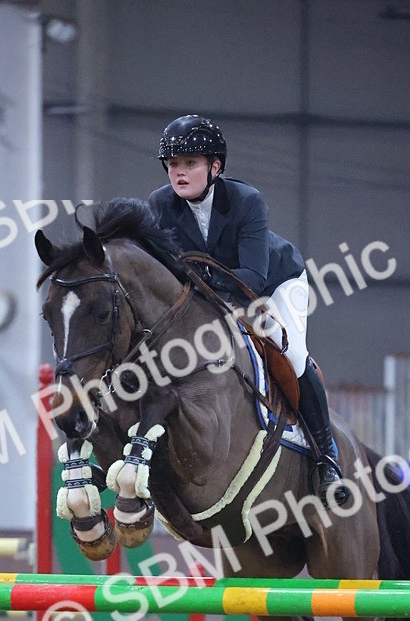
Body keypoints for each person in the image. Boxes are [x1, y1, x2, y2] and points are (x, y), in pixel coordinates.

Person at [147, 114, 343, 495]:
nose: (179, 172)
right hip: (211, 295)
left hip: (273, 285)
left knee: (293, 354)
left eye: (190, 162)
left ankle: (326, 456)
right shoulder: (159, 205)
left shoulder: (246, 201)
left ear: (215, 167)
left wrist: (198, 281)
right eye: (172, 164)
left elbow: (251, 278)